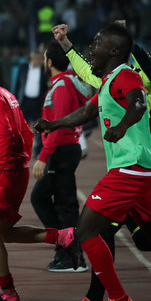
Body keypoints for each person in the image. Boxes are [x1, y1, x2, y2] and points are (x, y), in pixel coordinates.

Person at [36, 23, 151, 301]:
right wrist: (53, 124)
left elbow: (138, 103)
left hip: (130, 170)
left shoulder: (127, 76)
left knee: (87, 231)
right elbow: (86, 112)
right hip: (145, 171)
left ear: (115, 50)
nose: (92, 48)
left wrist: (121, 127)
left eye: (97, 43)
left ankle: (118, 298)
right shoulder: (107, 81)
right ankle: (95, 299)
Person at [0, 48, 77, 301]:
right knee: (2, 232)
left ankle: (7, 292)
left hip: (7, 172)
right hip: (15, 169)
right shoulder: (3, 93)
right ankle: (61, 236)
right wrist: (21, 162)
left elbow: (6, 135)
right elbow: (25, 132)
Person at [31, 40, 90, 272]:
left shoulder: (63, 85)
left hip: (61, 150)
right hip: (63, 149)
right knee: (57, 201)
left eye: (45, 57)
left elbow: (60, 125)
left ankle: (70, 254)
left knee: (57, 202)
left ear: (49, 62)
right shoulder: (62, 83)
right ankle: (66, 250)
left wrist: (44, 156)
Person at [13, 46, 48, 157]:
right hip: (25, 101)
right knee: (21, 127)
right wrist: (14, 100)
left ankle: (38, 151)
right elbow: (18, 85)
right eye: (37, 58)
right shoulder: (23, 68)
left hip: (38, 102)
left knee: (39, 127)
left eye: (41, 59)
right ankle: (21, 150)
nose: (39, 61)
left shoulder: (44, 70)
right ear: (32, 59)